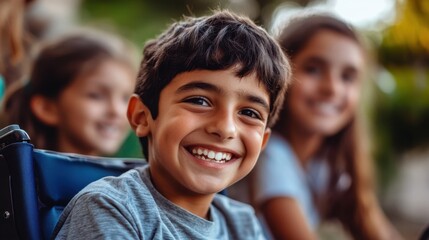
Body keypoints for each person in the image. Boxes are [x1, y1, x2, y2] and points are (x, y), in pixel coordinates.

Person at [51, 10, 291, 239]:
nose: (225, 128)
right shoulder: (110, 208)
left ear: (263, 142)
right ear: (142, 117)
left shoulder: (242, 223)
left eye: (249, 112)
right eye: (199, 101)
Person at [228, 13, 403, 240]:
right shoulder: (271, 153)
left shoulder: (326, 165)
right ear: (281, 75)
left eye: (347, 77)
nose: (332, 88)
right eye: (314, 69)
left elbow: (372, 224)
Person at [2, 30, 137, 156]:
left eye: (125, 98)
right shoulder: (21, 178)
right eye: (96, 96)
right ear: (47, 108)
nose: (116, 110)